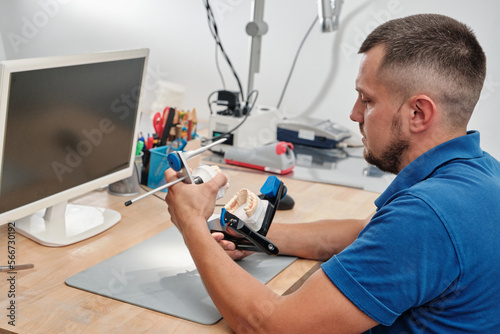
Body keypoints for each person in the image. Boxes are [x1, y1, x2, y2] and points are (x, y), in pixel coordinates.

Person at [165, 13, 500, 333]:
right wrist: (255, 235)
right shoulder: (482, 175)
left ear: (418, 113)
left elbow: (269, 326)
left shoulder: (424, 219)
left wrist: (192, 221)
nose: (354, 114)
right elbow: (367, 234)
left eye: (366, 100)